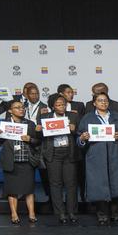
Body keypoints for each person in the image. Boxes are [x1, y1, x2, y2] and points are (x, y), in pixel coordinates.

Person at [78, 93, 118, 225]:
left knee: (116, 184)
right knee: (98, 185)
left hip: (115, 154)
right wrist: (82, 138)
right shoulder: (87, 118)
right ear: (94, 103)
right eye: (100, 100)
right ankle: (101, 214)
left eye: (106, 100)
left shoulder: (117, 116)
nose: (103, 103)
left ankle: (115, 213)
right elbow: (79, 138)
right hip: (96, 155)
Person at [0, 100, 40, 224]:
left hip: (26, 160)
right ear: (10, 111)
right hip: (10, 161)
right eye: (17, 107)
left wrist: (30, 139)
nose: (21, 109)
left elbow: (38, 143)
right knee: (12, 189)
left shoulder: (30, 124)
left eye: (22, 107)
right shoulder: (3, 124)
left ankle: (32, 214)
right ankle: (14, 214)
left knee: (29, 189)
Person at [41, 94, 80, 224]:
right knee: (55, 184)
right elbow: (39, 134)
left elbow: (80, 132)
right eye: (58, 105)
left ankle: (72, 212)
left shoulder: (73, 116)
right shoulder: (45, 117)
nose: (61, 107)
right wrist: (38, 129)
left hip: (69, 153)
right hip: (53, 153)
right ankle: (60, 212)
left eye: (63, 104)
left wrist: (74, 129)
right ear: (52, 106)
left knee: (71, 184)